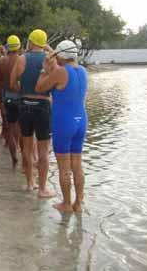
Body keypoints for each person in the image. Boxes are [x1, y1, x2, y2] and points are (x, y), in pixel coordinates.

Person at [36, 40, 87, 213]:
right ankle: (78, 203)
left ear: (60, 57)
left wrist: (44, 68)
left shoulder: (60, 72)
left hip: (64, 122)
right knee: (77, 165)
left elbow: (40, 87)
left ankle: (66, 203)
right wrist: (53, 52)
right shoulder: (82, 71)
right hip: (81, 121)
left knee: (64, 167)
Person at [10, 29, 56, 197]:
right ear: (43, 43)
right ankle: (42, 189)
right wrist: (49, 49)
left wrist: (23, 91)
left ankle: (30, 183)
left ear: (30, 42)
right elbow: (57, 78)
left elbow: (12, 82)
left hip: (25, 104)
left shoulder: (22, 59)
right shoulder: (50, 60)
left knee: (27, 148)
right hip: (43, 104)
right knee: (43, 151)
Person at [0, 35, 22, 169]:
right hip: (20, 96)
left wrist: (1, 100)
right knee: (23, 131)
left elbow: (0, 81)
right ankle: (25, 160)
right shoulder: (21, 60)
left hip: (7, 96)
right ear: (18, 47)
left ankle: (14, 158)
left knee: (12, 130)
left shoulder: (2, 61)